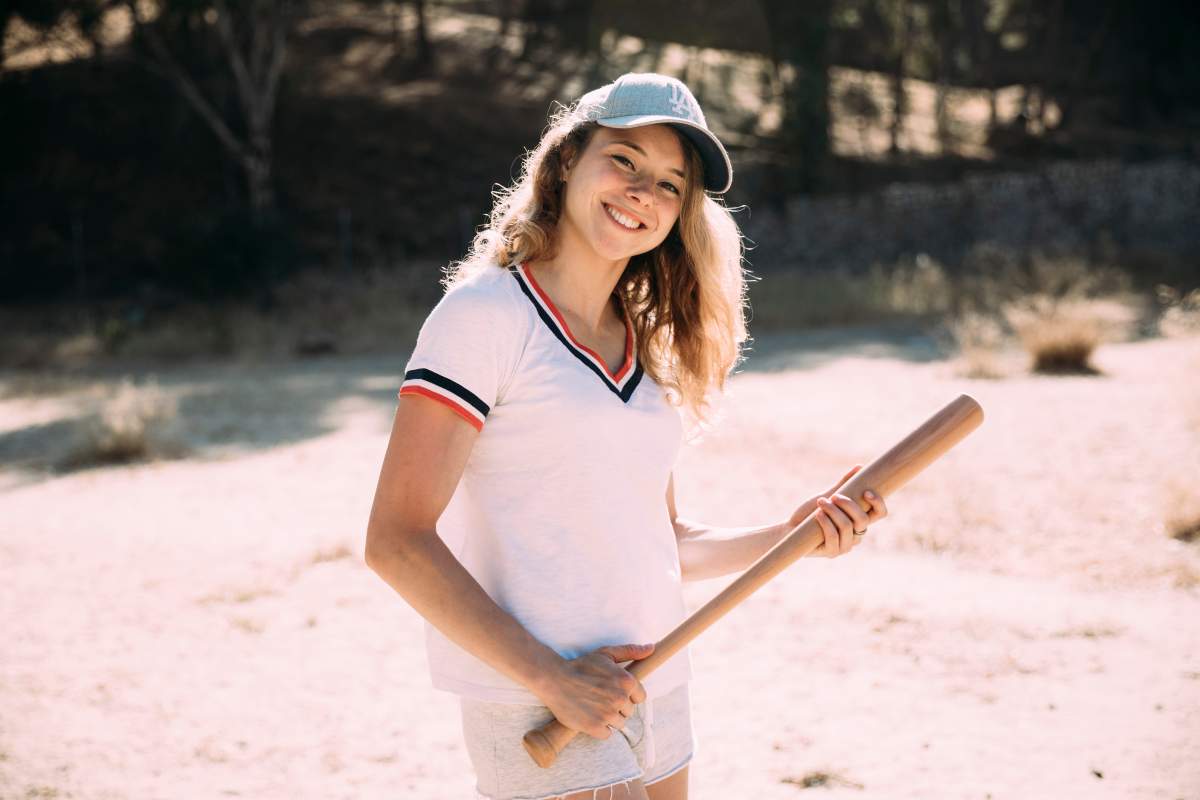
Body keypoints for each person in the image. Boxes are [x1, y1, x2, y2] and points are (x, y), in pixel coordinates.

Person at [364, 72, 888, 800]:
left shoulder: (641, 345)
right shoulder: (484, 316)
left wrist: (789, 533)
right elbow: (395, 539)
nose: (645, 191)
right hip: (538, 699)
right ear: (566, 162)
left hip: (652, 682)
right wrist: (552, 678)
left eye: (672, 184)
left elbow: (660, 540)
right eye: (625, 160)